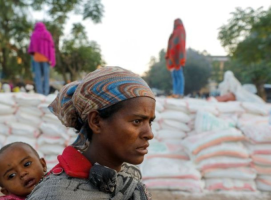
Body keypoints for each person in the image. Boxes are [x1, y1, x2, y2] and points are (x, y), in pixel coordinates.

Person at [27, 66, 155, 200]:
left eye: (150, 122)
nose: (149, 134)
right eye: (137, 121)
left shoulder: (129, 180)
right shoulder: (56, 193)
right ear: (96, 121)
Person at [28, 22, 56, 96]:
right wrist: (51, 57)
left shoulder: (34, 34)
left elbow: (32, 47)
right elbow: (51, 46)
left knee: (38, 76)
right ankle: (46, 93)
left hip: (36, 58)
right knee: (46, 76)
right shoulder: (47, 34)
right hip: (46, 58)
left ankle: (40, 93)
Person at [165, 18, 186, 98]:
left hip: (178, 55)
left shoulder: (180, 30)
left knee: (179, 74)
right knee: (174, 75)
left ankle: (179, 93)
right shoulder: (174, 32)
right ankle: (175, 92)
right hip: (172, 56)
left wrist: (180, 56)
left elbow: (181, 43)